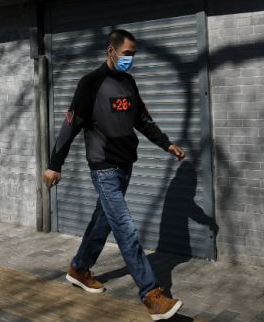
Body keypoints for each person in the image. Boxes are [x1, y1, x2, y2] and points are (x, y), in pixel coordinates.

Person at [43, 29, 186, 321]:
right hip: (104, 167)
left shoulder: (129, 83)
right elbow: (70, 126)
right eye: (126, 54)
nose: (130, 60)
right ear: (111, 50)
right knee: (125, 229)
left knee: (103, 221)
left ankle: (79, 269)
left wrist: (166, 143)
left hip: (125, 166)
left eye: (133, 55)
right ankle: (152, 295)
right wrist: (55, 164)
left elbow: (142, 120)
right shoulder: (91, 83)